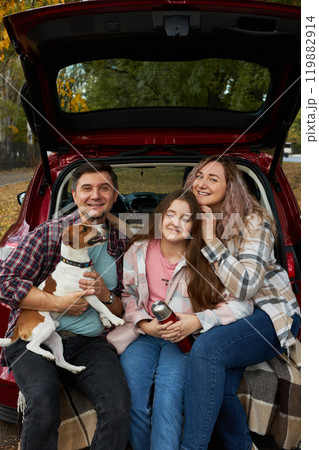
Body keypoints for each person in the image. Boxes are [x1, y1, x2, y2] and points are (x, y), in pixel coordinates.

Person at [0, 161, 131, 450]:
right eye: (87, 188)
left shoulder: (121, 240)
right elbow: (5, 281)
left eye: (104, 188)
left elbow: (123, 308)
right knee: (44, 404)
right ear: (74, 195)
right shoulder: (50, 233)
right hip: (35, 339)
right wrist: (58, 302)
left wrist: (106, 296)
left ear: (114, 194)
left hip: (91, 342)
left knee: (118, 405)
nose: (95, 195)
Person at [180, 156, 301, 450]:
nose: (202, 182)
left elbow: (246, 287)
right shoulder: (192, 221)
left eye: (213, 178)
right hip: (230, 315)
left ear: (230, 186)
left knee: (207, 350)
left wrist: (211, 240)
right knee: (217, 387)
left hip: (270, 315)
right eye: (198, 176)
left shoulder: (254, 222)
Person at [119, 189, 254, 450]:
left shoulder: (207, 257)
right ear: (160, 217)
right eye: (170, 214)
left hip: (185, 341)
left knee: (167, 402)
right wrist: (145, 323)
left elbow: (243, 304)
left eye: (186, 218)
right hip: (144, 336)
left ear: (195, 225)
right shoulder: (138, 250)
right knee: (133, 399)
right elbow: (128, 295)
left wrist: (197, 321)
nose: (175, 223)